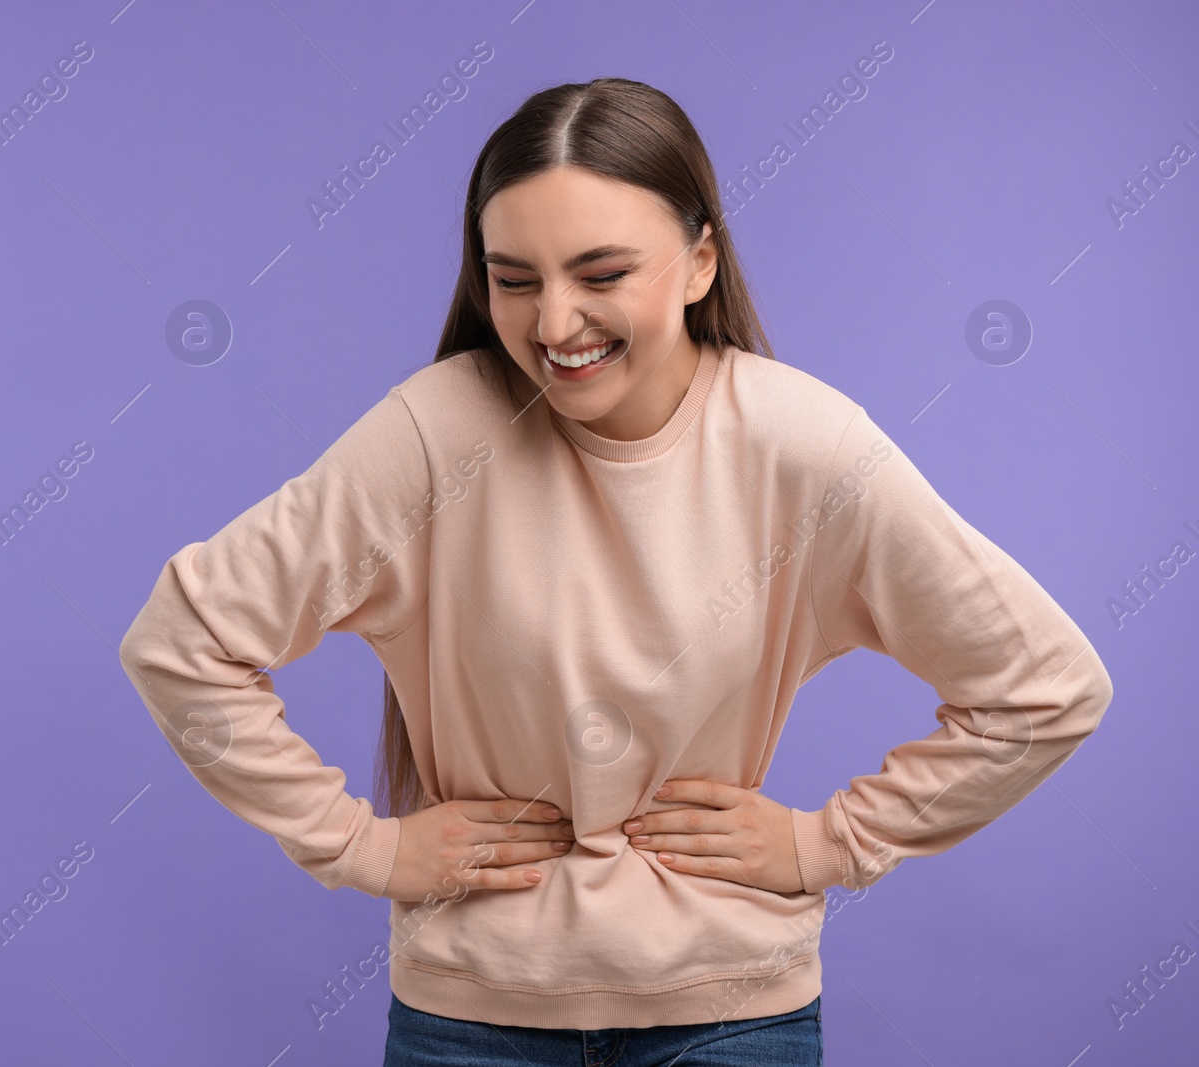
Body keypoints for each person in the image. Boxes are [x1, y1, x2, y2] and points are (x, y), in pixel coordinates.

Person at [118, 77, 1113, 1066]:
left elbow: (1044, 688)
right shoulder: (433, 434)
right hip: (470, 1024)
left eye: (600, 274)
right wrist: (364, 847)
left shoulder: (803, 445)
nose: (554, 324)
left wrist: (829, 843)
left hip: (735, 1020)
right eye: (514, 279)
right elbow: (180, 640)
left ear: (698, 262)